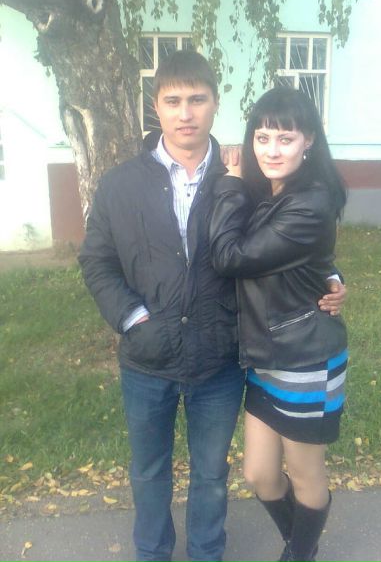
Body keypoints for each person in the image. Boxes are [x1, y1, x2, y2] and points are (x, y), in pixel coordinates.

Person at [78, 51, 346, 562]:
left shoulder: (244, 177)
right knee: (149, 472)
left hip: (219, 357)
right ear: (155, 106)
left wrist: (331, 277)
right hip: (146, 358)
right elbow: (96, 260)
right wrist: (132, 320)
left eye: (197, 99)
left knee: (211, 474)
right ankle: (152, 554)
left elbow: (291, 240)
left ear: (215, 104)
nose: (186, 113)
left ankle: (207, 554)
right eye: (173, 100)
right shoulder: (120, 183)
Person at [209, 87, 348, 562]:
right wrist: (332, 276)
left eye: (285, 139)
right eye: (262, 137)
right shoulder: (273, 190)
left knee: (306, 476)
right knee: (260, 475)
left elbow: (231, 257)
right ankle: (301, 544)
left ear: (308, 140)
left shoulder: (310, 200)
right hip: (266, 354)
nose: (271, 150)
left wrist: (228, 185)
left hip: (305, 357)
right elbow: (304, 260)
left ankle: (300, 553)